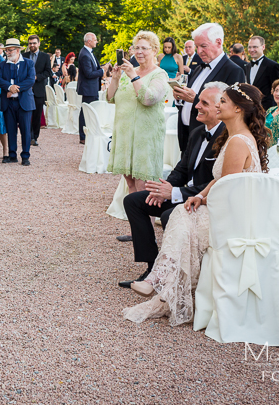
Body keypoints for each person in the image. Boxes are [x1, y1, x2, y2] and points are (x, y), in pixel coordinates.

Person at [125, 83, 268, 326]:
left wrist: (197, 198)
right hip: (227, 205)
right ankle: (158, 280)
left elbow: (226, 190)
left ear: (237, 109)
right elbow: (219, 180)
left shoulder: (237, 142)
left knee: (181, 214)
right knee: (181, 211)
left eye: (222, 102)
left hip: (232, 216)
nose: (218, 105)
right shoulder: (233, 137)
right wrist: (199, 197)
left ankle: (158, 281)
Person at [119, 82, 227, 288]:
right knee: (133, 201)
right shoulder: (197, 132)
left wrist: (175, 193)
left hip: (205, 200)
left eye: (204, 103)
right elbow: (181, 170)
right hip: (183, 195)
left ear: (219, 107)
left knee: (170, 215)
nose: (196, 106)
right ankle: (153, 267)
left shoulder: (228, 137)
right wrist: (163, 190)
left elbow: (216, 183)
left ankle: (179, 274)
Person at [105, 31, 168, 193]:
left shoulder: (159, 74)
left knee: (144, 186)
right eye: (136, 48)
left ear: (154, 50)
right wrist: (116, 78)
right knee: (131, 184)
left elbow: (149, 98)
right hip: (125, 135)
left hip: (144, 138)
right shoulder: (127, 73)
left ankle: (148, 219)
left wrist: (133, 75)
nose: (139, 51)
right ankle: (136, 218)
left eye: (144, 48)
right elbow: (110, 97)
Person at [172, 23, 246, 152]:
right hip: (187, 135)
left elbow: (230, 109)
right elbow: (187, 101)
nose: (199, 51)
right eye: (197, 46)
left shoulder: (233, 70)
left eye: (203, 46)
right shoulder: (199, 68)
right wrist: (180, 98)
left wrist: (194, 99)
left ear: (218, 42)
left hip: (209, 140)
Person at [0, 38, 36, 165]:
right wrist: (9, 87)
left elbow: (30, 80)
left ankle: (25, 156)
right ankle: (12, 155)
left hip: (24, 102)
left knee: (25, 130)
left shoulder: (28, 63)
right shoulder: (2, 65)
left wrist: (14, 88)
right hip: (9, 103)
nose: (7, 52)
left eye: (10, 50)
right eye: (6, 50)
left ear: (17, 50)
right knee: (11, 129)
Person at [76, 33, 106, 145]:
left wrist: (103, 67)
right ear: (89, 41)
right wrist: (102, 71)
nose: (96, 41)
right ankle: (83, 136)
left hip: (92, 87)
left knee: (89, 111)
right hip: (88, 88)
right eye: (95, 40)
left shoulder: (89, 53)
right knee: (86, 112)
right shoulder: (84, 54)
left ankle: (89, 133)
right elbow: (89, 73)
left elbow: (94, 68)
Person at [24, 35, 51, 146]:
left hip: (39, 89)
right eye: (30, 43)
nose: (32, 45)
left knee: (36, 115)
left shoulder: (45, 56)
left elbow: (48, 72)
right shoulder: (23, 55)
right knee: (26, 114)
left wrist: (36, 77)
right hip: (25, 90)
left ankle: (34, 137)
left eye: (34, 43)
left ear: (39, 43)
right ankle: (27, 136)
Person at [246, 35, 279, 110]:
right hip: (251, 108)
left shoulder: (272, 66)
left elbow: (277, 88)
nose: (251, 50)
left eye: (255, 47)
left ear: (263, 47)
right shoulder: (248, 66)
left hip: (267, 109)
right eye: (249, 47)